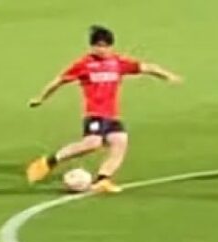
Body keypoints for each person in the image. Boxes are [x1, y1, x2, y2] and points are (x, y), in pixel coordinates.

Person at [25, 25, 182, 192]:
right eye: (98, 46)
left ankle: (103, 179)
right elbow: (60, 80)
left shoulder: (118, 63)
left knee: (120, 142)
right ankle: (47, 162)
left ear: (111, 46)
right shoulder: (84, 65)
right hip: (94, 113)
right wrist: (41, 98)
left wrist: (168, 76)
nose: (102, 49)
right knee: (92, 143)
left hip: (112, 115)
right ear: (92, 46)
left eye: (105, 46)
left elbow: (147, 67)